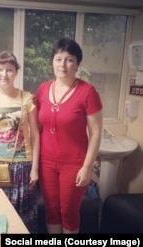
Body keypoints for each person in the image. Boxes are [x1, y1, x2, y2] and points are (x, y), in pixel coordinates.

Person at [36, 38, 103, 234]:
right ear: (52, 62)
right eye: (58, 59)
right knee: (51, 210)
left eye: (69, 60)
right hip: (46, 162)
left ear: (78, 64)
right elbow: (36, 125)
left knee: (68, 211)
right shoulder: (42, 89)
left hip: (74, 163)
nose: (62, 65)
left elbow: (96, 133)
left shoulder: (87, 92)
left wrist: (87, 167)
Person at [0, 51, 40, 233]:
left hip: (22, 165)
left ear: (16, 72)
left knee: (22, 213)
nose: (4, 74)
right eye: (0, 69)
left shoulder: (27, 98)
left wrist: (35, 168)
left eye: (9, 70)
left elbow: (36, 135)